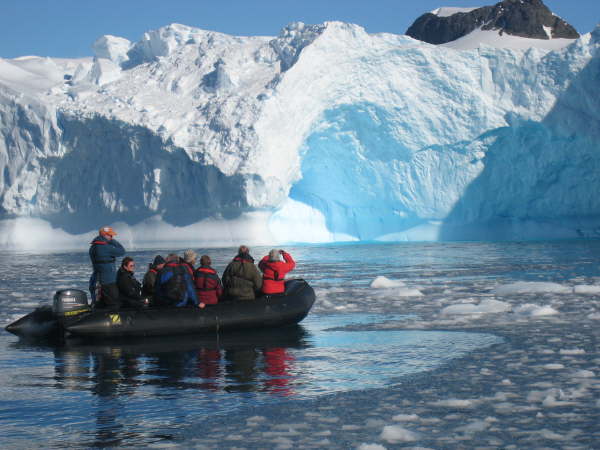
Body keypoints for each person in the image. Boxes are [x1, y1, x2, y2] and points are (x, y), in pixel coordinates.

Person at [89, 226, 126, 309]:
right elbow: (122, 251)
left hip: (98, 279)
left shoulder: (93, 247)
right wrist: (113, 241)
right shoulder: (105, 247)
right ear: (104, 235)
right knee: (114, 303)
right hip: (109, 280)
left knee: (102, 303)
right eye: (110, 235)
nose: (111, 237)